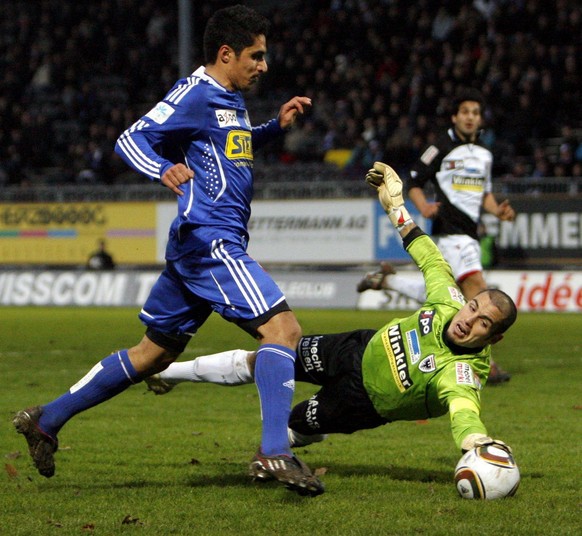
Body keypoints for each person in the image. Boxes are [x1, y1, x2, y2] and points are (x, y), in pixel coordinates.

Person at [13, 5, 323, 497]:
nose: (264, 65)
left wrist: (272, 128)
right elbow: (130, 139)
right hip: (209, 240)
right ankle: (274, 452)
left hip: (201, 244)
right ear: (227, 54)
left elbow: (230, 148)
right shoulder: (195, 92)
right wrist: (162, 169)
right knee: (282, 330)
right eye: (256, 56)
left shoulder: (230, 97)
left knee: (152, 355)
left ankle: (45, 420)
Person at [144, 163, 518, 473]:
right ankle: (167, 372)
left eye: (484, 323)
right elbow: (429, 256)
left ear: (493, 338)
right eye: (474, 307)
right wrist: (396, 206)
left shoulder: (462, 373)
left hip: (360, 402)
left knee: (290, 426)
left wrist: (477, 442)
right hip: (355, 346)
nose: (469, 319)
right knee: (274, 356)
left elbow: (464, 411)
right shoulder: (449, 301)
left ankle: (298, 439)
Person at [358, 89, 516, 384]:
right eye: (465, 112)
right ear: (455, 117)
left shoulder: (484, 154)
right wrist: (423, 206)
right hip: (450, 229)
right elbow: (415, 180)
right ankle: (486, 364)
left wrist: (499, 211)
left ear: (480, 119)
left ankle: (387, 280)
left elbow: (485, 195)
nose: (470, 117)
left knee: (445, 295)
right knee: (477, 289)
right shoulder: (439, 146)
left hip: (468, 232)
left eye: (475, 113)